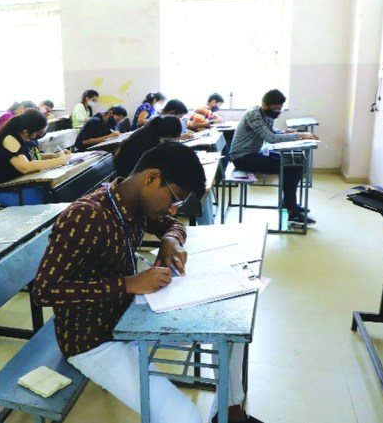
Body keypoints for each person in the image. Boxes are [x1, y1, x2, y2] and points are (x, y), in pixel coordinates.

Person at [32, 142, 261, 423]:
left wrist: (170, 240)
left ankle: (230, 411)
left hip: (133, 314)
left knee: (230, 326)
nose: (173, 210)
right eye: (174, 199)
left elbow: (173, 225)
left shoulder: (134, 203)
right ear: (152, 177)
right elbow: (43, 292)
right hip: (94, 339)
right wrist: (128, 284)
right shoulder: (86, 216)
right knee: (184, 417)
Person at [229, 89, 318, 227]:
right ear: (265, 104)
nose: (278, 111)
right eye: (276, 108)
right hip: (243, 157)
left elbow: (272, 131)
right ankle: (292, 211)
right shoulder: (253, 115)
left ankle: (289, 203)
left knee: (297, 162)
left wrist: (288, 132)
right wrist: (299, 136)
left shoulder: (267, 114)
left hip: (255, 153)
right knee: (290, 167)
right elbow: (270, 138)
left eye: (280, 108)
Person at [0, 109, 71, 206]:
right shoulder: (9, 138)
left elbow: (32, 156)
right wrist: (60, 160)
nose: (40, 135)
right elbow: (25, 167)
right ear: (26, 132)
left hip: (22, 184)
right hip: (8, 190)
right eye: (39, 133)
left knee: (58, 191)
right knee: (52, 197)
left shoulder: (26, 136)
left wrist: (55, 155)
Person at [114, 116, 182, 178]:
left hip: (130, 173)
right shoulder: (150, 145)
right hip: (130, 177)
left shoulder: (147, 133)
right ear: (168, 136)